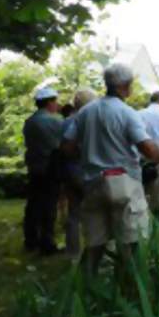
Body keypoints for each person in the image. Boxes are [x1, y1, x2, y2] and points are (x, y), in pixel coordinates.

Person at [62, 64, 159, 273]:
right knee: (132, 241)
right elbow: (149, 150)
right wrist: (156, 146)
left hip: (93, 182)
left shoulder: (85, 112)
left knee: (95, 243)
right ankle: (128, 289)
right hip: (124, 182)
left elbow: (67, 147)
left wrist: (89, 154)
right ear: (125, 86)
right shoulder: (127, 113)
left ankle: (84, 289)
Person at [22, 87, 64, 255]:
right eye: (55, 101)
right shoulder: (56, 121)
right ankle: (47, 243)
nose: (57, 104)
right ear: (49, 102)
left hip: (34, 167)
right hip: (50, 168)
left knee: (33, 204)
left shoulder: (29, 121)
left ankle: (30, 239)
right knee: (49, 206)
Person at [61, 89, 97, 259]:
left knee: (73, 213)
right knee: (94, 213)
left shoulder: (66, 122)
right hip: (90, 172)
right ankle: (93, 251)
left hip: (70, 171)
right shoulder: (93, 121)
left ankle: (72, 252)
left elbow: (63, 148)